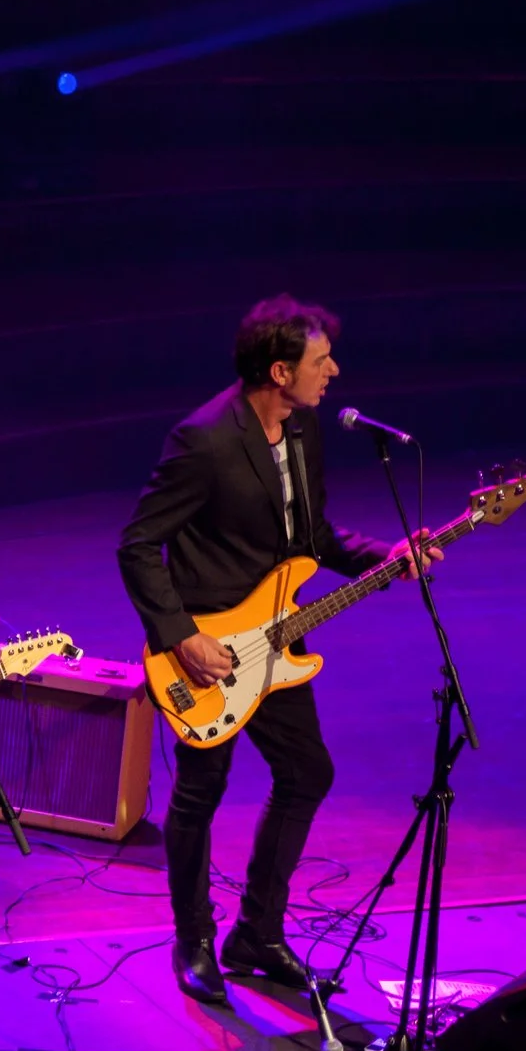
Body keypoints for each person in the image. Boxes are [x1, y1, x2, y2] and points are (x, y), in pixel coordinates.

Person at [116, 296, 437, 1006]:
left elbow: (311, 537)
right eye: (322, 362)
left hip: (277, 636)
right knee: (200, 793)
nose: (335, 372)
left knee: (306, 770)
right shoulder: (203, 440)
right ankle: (193, 938)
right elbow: (137, 545)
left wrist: (387, 554)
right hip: (206, 651)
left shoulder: (302, 428)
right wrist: (182, 636)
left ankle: (256, 932)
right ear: (280, 368)